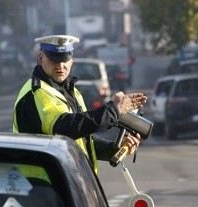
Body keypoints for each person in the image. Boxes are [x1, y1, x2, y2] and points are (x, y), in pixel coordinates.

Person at [13, 35, 147, 172]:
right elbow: (66, 128)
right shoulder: (37, 92)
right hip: (44, 185)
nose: (60, 66)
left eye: (64, 59)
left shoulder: (70, 91)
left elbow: (81, 139)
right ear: (40, 58)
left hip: (67, 182)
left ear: (72, 60)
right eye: (53, 60)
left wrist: (115, 149)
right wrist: (114, 110)